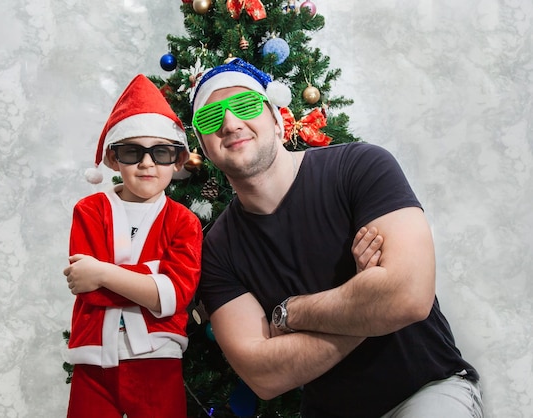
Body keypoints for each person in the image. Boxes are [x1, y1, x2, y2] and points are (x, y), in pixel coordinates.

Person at [190, 58, 483, 418]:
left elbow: (408, 297)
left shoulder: (361, 167)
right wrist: (369, 302)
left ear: (279, 121)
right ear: (204, 147)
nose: (231, 123)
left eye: (246, 106)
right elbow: (263, 375)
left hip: (425, 391)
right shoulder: (216, 250)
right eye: (210, 117)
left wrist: (290, 313)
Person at [63, 74, 203, 418]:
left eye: (161, 152)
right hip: (94, 361)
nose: (146, 163)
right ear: (113, 160)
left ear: (178, 160)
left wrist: (104, 272)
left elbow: (175, 296)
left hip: (158, 360)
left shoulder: (184, 222)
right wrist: (153, 277)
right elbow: (87, 289)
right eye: (131, 151)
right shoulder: (90, 211)